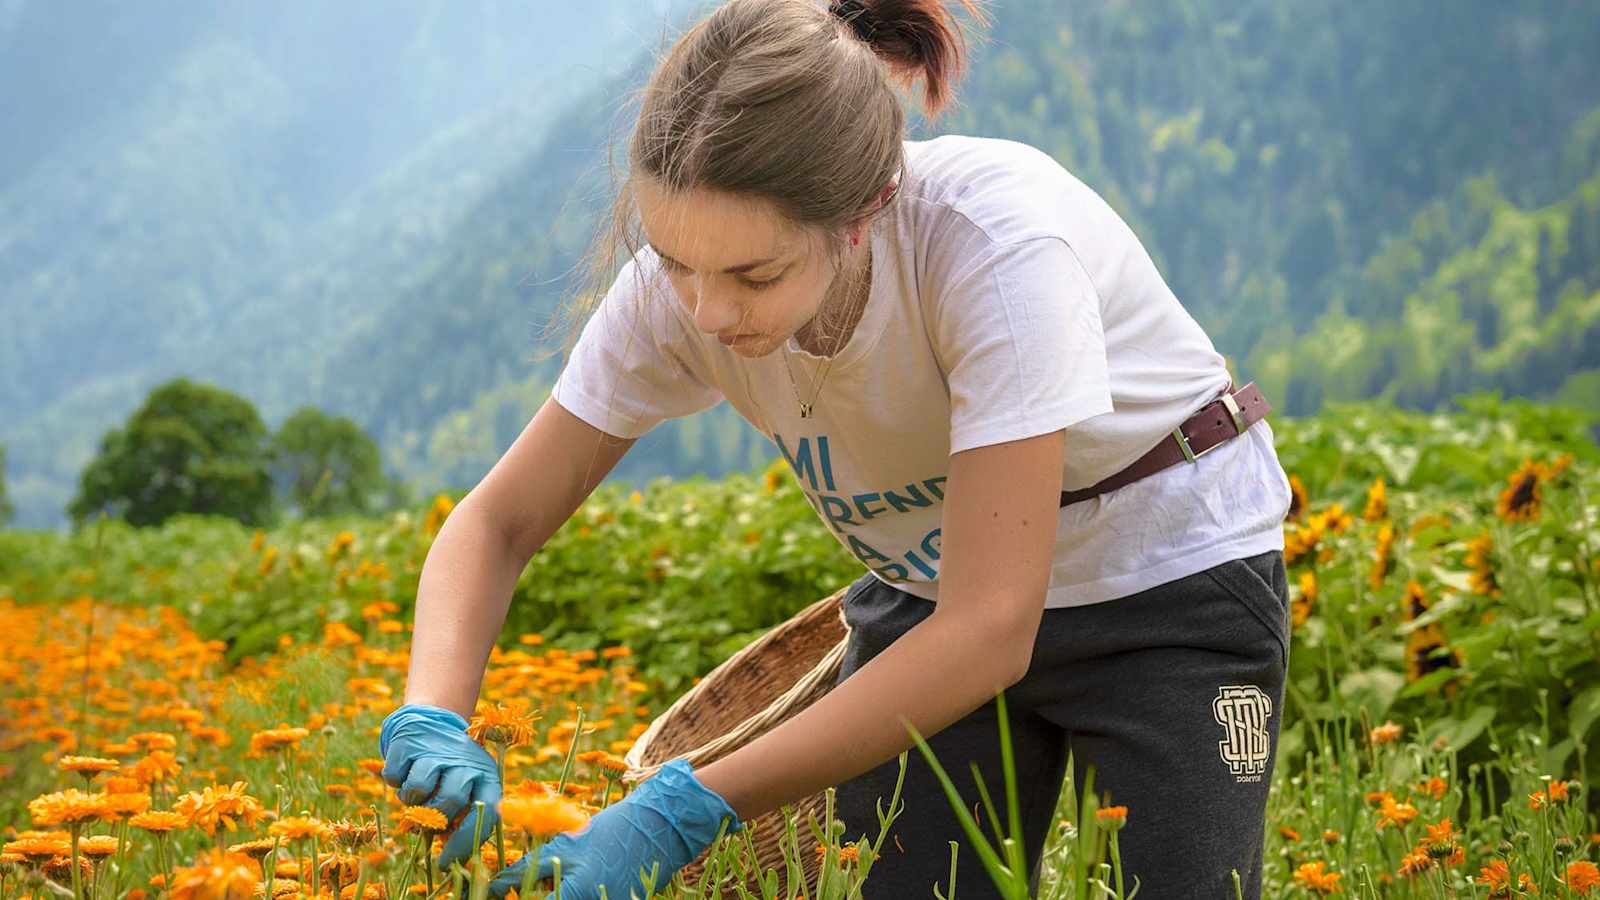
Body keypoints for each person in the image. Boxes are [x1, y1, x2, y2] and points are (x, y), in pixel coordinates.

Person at [377, 0, 1295, 897]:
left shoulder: (996, 250)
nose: (705, 311)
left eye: (754, 275)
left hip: (1165, 585)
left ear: (863, 213)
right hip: (932, 594)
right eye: (673, 259)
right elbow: (499, 522)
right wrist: (433, 713)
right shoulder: (686, 285)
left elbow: (987, 634)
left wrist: (687, 806)